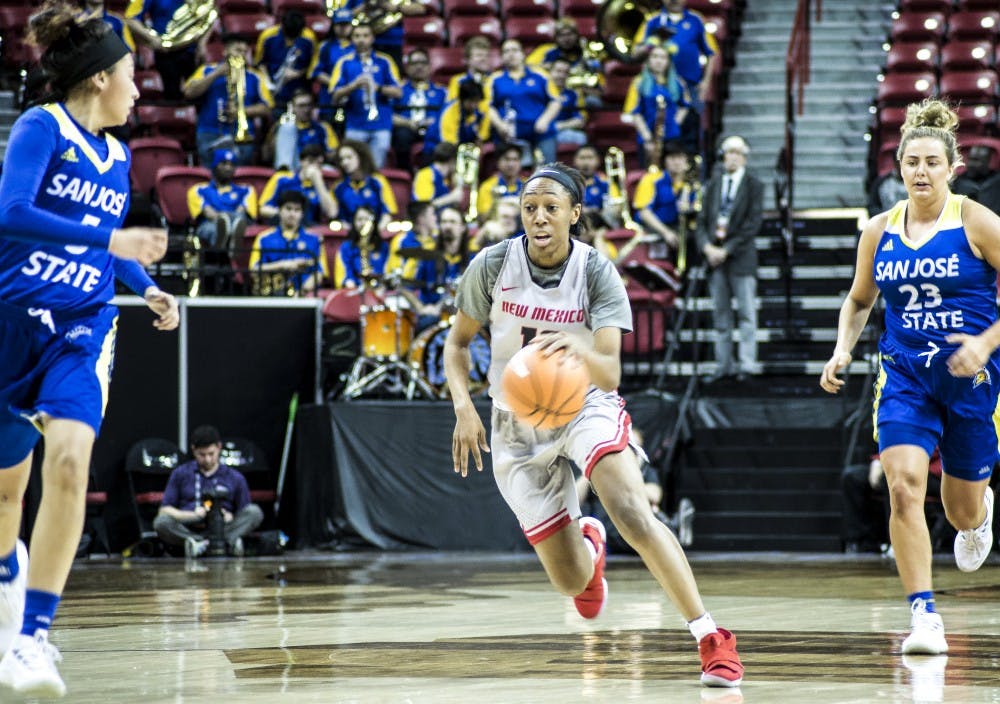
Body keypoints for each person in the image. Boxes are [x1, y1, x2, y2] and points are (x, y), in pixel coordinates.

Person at [444, 161, 743, 689]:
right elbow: (457, 343)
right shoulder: (492, 264)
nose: (538, 218)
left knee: (631, 508)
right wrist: (464, 407)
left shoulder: (596, 270)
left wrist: (578, 343)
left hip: (584, 401)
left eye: (550, 208)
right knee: (572, 582)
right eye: (529, 207)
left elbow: (609, 370)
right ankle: (589, 545)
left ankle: (710, 636)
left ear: (574, 214)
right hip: (515, 421)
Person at [0, 3, 177, 696]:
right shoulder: (42, 128)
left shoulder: (120, 156)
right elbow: (11, 215)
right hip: (12, 325)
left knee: (70, 462)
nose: (139, 88)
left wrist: (147, 285)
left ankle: (33, 640)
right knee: (8, 490)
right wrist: (115, 244)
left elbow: (105, 247)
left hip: (82, 327)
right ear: (101, 77)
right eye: (131, 74)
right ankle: (10, 577)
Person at [820, 99, 1000, 656]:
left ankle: (979, 516)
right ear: (899, 168)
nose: (920, 171)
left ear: (952, 168)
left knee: (960, 509)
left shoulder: (975, 221)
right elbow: (857, 301)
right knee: (902, 489)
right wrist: (841, 349)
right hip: (904, 376)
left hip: (971, 378)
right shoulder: (879, 230)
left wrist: (985, 341)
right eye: (911, 162)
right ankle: (923, 615)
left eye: (931, 162)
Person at [696, 135, 763, 382]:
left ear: (744, 157)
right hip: (715, 258)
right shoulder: (713, 183)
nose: (732, 157)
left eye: (737, 152)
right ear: (723, 157)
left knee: (746, 313)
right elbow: (702, 221)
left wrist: (727, 249)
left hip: (740, 257)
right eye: (728, 152)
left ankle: (747, 364)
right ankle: (723, 365)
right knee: (721, 315)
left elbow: (753, 223)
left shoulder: (754, 184)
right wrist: (707, 247)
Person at [153, 426, 264, 558]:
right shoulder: (180, 474)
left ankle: (209, 545)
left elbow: (245, 511)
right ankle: (206, 544)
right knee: (161, 522)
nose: (207, 459)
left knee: (254, 512)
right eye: (202, 455)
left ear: (219, 447)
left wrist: (228, 516)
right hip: (189, 528)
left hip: (223, 528)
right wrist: (192, 515)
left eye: (211, 454)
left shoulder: (234, 477)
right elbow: (164, 510)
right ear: (193, 450)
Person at [182, 33, 274, 167]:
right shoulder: (207, 70)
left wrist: (240, 111)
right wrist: (216, 74)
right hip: (209, 132)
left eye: (244, 51)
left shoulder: (255, 77)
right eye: (237, 50)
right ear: (225, 51)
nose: (241, 54)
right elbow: (189, 92)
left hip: (241, 136)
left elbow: (267, 108)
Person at [329, 21, 402, 169]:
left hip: (381, 124)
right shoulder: (344, 63)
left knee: (376, 168)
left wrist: (378, 88)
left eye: (365, 35)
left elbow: (398, 93)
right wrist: (352, 86)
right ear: (351, 39)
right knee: (352, 167)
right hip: (355, 123)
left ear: (372, 38)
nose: (361, 39)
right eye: (357, 36)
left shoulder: (385, 61)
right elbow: (334, 97)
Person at [484, 39, 561, 166]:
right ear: (502, 57)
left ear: (523, 54)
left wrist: (545, 120)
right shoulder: (494, 79)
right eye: (506, 51)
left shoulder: (540, 75)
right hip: (509, 135)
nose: (511, 54)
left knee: (547, 174)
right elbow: (487, 106)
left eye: (514, 50)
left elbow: (555, 101)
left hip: (541, 133)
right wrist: (500, 125)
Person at [622, 41, 689, 169]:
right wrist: (648, 139)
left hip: (671, 137)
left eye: (663, 57)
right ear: (648, 60)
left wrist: (675, 122)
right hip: (648, 136)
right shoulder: (639, 82)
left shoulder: (678, 82)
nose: (659, 61)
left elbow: (684, 105)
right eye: (655, 56)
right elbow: (635, 112)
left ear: (668, 61)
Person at [249, 189, 328, 296]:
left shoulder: (314, 240)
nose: (292, 214)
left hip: (303, 296)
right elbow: (253, 270)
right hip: (271, 296)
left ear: (302, 214)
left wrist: (301, 291)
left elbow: (319, 273)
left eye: (297, 210)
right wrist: (282, 265)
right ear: (280, 210)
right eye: (288, 208)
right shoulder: (263, 238)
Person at [124, 0, 195, 100]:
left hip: (192, 52)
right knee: (172, 98)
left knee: (197, 100)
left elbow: (208, 14)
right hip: (166, 53)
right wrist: (152, 38)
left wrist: (202, 43)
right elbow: (131, 19)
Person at [187, 148, 257, 248]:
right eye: (223, 164)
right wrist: (223, 220)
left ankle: (231, 245)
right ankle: (224, 247)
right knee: (211, 229)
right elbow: (208, 213)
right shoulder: (198, 190)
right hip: (211, 223)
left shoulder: (246, 190)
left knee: (240, 220)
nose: (228, 168)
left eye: (231, 164)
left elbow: (241, 212)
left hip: (238, 223)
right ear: (214, 166)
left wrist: (228, 220)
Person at [391, 47, 447, 172]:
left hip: (432, 128)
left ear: (430, 67)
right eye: (414, 63)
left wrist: (433, 121)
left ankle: (430, 175)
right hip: (406, 128)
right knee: (401, 136)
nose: (419, 67)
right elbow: (387, 114)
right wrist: (408, 123)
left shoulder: (442, 91)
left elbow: (448, 114)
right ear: (407, 68)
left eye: (423, 63)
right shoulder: (397, 90)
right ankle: (406, 175)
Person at [258, 143, 339, 225]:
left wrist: (318, 182)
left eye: (319, 164)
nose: (314, 167)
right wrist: (288, 214)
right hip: (281, 224)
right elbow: (263, 209)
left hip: (308, 228)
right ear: (301, 161)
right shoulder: (281, 178)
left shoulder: (321, 185)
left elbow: (332, 213)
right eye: (311, 162)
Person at [254, 9, 316, 110]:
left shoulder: (309, 38)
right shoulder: (267, 36)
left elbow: (313, 66)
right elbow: (259, 63)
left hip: (299, 90)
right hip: (274, 90)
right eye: (288, 36)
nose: (290, 41)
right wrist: (267, 81)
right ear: (282, 26)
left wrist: (298, 73)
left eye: (294, 37)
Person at [332, 139, 398, 231]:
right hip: (348, 236)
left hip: (376, 234)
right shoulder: (338, 186)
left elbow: (387, 214)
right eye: (341, 159)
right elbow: (333, 215)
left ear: (361, 157)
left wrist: (374, 234)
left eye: (349, 157)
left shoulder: (378, 181)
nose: (345, 162)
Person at [266, 89, 339, 171]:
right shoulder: (282, 127)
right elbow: (267, 155)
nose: (306, 110)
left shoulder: (323, 127)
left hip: (316, 167)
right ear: (293, 107)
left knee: (332, 171)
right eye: (301, 106)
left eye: (309, 105)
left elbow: (333, 154)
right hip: (292, 167)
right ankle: (285, 174)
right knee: (287, 127)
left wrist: (319, 156)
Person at [421, 81, 489, 162]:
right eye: (471, 101)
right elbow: (449, 145)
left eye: (477, 101)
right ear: (462, 99)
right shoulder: (450, 111)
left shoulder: (482, 108)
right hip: (437, 149)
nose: (474, 105)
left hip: (461, 147)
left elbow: (481, 137)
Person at [309, 8, 354, 126]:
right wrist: (337, 84)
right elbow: (316, 72)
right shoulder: (325, 46)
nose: (343, 28)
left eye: (346, 24)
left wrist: (349, 88)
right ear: (333, 26)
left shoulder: (357, 46)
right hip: (328, 98)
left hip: (353, 99)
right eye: (339, 24)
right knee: (328, 129)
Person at [334, 205, 389, 288]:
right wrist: (350, 283)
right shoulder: (346, 247)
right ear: (354, 222)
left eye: (367, 219)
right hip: (355, 289)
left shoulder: (384, 247)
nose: (363, 223)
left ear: (374, 223)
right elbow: (344, 273)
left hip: (381, 289)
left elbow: (388, 271)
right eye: (359, 219)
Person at [477, 142, 525, 225]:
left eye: (515, 159)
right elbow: (483, 219)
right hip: (498, 230)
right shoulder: (487, 186)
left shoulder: (528, 186)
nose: (511, 164)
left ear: (520, 163)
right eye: (507, 159)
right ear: (498, 162)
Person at [547, 58, 588, 147]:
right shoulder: (539, 90)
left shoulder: (573, 94)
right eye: (558, 71)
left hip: (561, 131)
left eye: (565, 72)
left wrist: (557, 126)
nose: (561, 75)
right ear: (550, 72)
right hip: (539, 131)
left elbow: (579, 121)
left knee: (580, 137)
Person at [412, 142, 463, 211]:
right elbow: (422, 208)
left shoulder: (446, 179)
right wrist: (451, 198)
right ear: (452, 161)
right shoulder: (425, 175)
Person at [446, 35, 494, 102]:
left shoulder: (495, 80)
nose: (484, 59)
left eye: (487, 55)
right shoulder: (458, 81)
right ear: (467, 60)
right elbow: (453, 107)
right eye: (479, 55)